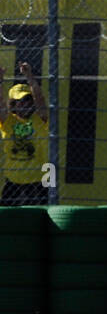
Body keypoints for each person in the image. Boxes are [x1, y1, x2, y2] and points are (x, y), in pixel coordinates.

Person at [0, 62, 50, 206]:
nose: (25, 104)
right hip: (13, 180)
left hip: (39, 179)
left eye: (28, 100)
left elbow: (40, 100)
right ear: (13, 104)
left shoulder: (39, 119)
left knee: (42, 213)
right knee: (6, 214)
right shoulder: (8, 121)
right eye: (20, 101)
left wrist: (30, 77)